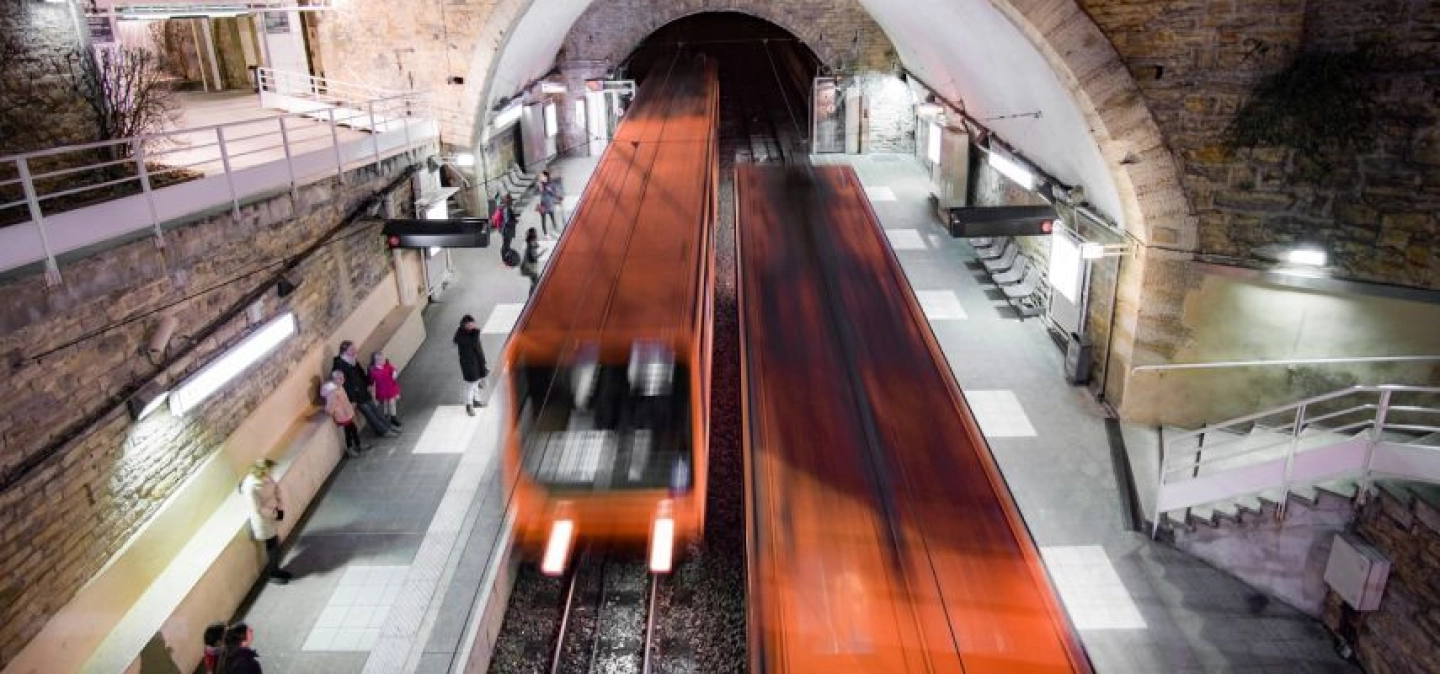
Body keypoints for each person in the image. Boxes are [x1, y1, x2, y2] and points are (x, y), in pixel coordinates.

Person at [238, 460, 292, 584]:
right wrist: (275, 513)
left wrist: (280, 504)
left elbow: (275, 488)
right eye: (268, 471)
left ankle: (276, 570)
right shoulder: (250, 487)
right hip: (263, 521)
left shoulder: (265, 477)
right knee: (272, 545)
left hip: (272, 515)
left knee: (274, 544)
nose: (270, 473)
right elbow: (258, 508)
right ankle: (274, 573)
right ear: (261, 471)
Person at [331, 341, 397, 438]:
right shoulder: (339, 365)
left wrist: (369, 383)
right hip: (355, 395)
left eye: (354, 348)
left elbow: (361, 373)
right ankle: (384, 431)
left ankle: (387, 426)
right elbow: (345, 384)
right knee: (369, 414)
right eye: (352, 349)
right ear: (345, 351)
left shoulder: (352, 360)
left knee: (375, 410)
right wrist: (353, 399)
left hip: (363, 390)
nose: (355, 351)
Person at [322, 371, 364, 457]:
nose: (343, 379)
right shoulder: (333, 392)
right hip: (342, 415)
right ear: (334, 379)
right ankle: (351, 449)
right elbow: (330, 405)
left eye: (343, 377)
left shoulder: (339, 387)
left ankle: (357, 445)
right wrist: (331, 411)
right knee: (349, 431)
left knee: (352, 429)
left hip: (346, 413)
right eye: (340, 378)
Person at [454, 315, 489, 416]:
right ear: (464, 325)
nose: (472, 325)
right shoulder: (463, 337)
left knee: (476, 383)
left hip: (477, 363)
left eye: (473, 323)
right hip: (469, 365)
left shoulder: (472, 333)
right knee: (470, 385)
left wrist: (483, 362)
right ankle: (469, 406)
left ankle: (476, 401)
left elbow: (479, 349)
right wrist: (476, 334)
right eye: (469, 324)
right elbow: (473, 344)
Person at [369, 350, 402, 427]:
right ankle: (387, 417)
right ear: (374, 361)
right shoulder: (373, 371)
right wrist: (372, 392)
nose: (381, 361)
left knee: (392, 403)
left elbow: (394, 374)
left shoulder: (388, 366)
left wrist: (395, 373)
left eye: (382, 359)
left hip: (391, 388)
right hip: (382, 391)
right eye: (378, 359)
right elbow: (372, 382)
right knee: (385, 404)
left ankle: (393, 417)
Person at [537, 170, 563, 238]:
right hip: (543, 203)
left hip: (550, 203)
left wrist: (550, 190)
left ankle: (555, 230)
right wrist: (541, 183)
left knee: (552, 218)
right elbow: (541, 191)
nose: (541, 177)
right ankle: (546, 234)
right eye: (541, 176)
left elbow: (554, 193)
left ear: (546, 177)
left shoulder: (551, 184)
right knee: (543, 219)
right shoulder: (540, 184)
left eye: (543, 176)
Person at [520, 227, 546, 296]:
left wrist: (537, 245)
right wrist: (542, 252)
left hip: (528, 267)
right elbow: (534, 258)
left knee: (534, 282)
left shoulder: (530, 242)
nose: (537, 235)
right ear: (533, 236)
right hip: (530, 268)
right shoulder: (530, 246)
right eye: (536, 233)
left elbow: (536, 245)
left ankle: (532, 296)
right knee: (536, 282)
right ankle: (532, 298)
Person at [499, 193, 518, 259]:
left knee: (506, 244)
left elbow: (507, 218)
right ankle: (504, 258)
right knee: (506, 245)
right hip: (507, 229)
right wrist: (515, 222)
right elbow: (507, 220)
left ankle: (505, 257)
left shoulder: (504, 207)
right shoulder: (507, 208)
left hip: (505, 229)